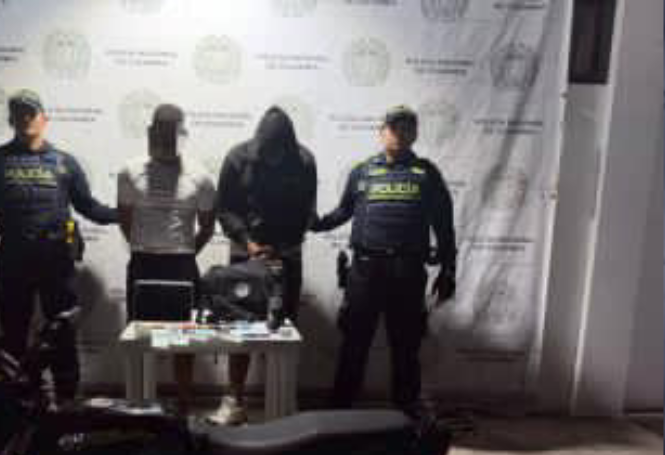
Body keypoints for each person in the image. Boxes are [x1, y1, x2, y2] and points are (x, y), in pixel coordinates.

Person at [0, 90, 117, 405]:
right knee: (14, 334)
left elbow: (88, 206)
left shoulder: (64, 163)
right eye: (18, 114)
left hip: (56, 260)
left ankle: (67, 400)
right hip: (13, 258)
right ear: (10, 120)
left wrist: (126, 213)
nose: (25, 119)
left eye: (30, 113)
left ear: (44, 119)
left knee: (62, 331)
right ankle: (19, 401)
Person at [310, 105, 457, 416]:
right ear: (381, 132)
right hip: (365, 271)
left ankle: (407, 416)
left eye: (407, 128)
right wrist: (315, 223)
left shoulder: (427, 174)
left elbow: (444, 225)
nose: (400, 133)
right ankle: (339, 414)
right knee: (354, 344)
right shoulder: (362, 171)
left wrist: (449, 269)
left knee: (406, 347)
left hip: (408, 272)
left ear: (415, 134)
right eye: (394, 127)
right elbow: (343, 211)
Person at [209, 106, 318, 425]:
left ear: (288, 145)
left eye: (278, 153)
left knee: (284, 329)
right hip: (246, 254)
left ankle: (282, 401)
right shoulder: (237, 158)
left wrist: (283, 248)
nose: (272, 158)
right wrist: (249, 243)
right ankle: (234, 401)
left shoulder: (304, 161)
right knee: (239, 328)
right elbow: (224, 209)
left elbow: (307, 210)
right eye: (268, 153)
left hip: (287, 254)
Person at [117, 104, 216, 415]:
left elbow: (208, 226)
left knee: (184, 338)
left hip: (181, 264)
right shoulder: (129, 171)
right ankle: (137, 405)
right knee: (138, 336)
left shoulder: (200, 176)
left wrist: (184, 251)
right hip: (143, 261)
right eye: (159, 132)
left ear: (181, 134)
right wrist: (145, 247)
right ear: (150, 132)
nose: (164, 139)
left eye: (171, 133)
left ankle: (183, 405)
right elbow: (125, 219)